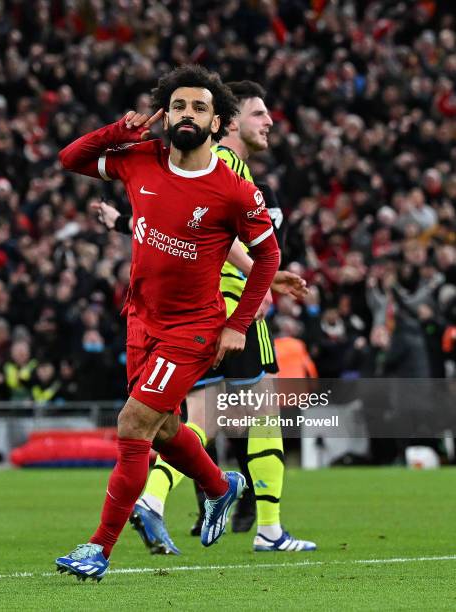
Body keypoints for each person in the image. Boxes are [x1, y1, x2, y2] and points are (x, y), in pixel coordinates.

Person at [55, 65, 280, 582]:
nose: (187, 115)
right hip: (141, 319)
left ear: (217, 121)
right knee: (161, 430)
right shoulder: (142, 159)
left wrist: (238, 324)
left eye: (199, 108)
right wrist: (120, 131)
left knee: (133, 424)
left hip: (195, 328)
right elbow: (71, 159)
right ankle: (221, 488)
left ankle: (98, 549)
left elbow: (268, 257)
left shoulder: (234, 190)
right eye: (178, 106)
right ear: (166, 114)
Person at [97, 81, 316, 554]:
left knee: (191, 416)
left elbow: (170, 226)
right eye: (259, 115)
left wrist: (267, 274)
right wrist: (257, 287)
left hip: (186, 313)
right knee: (254, 414)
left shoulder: (192, 162)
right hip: (225, 310)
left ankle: (166, 498)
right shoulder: (224, 167)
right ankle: (265, 527)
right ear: (229, 122)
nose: (269, 123)